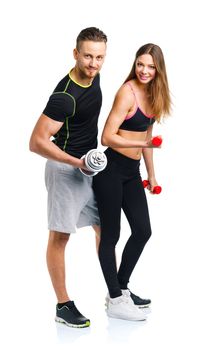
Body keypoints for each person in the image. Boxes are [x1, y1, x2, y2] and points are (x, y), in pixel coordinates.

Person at [29, 27, 107, 328]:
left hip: (90, 166)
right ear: (75, 54)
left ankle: (115, 292)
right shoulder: (64, 97)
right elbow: (36, 141)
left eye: (99, 57)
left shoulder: (94, 76)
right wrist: (77, 162)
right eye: (87, 56)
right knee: (60, 237)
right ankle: (63, 306)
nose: (93, 64)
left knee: (105, 229)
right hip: (64, 170)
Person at [93, 43, 171, 321]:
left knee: (142, 230)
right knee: (111, 236)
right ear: (134, 64)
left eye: (151, 66)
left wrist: (152, 175)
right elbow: (107, 137)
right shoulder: (126, 93)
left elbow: (146, 140)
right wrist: (144, 142)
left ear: (158, 69)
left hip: (132, 172)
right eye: (141, 64)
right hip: (111, 170)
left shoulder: (154, 95)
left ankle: (121, 288)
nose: (145, 70)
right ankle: (114, 297)